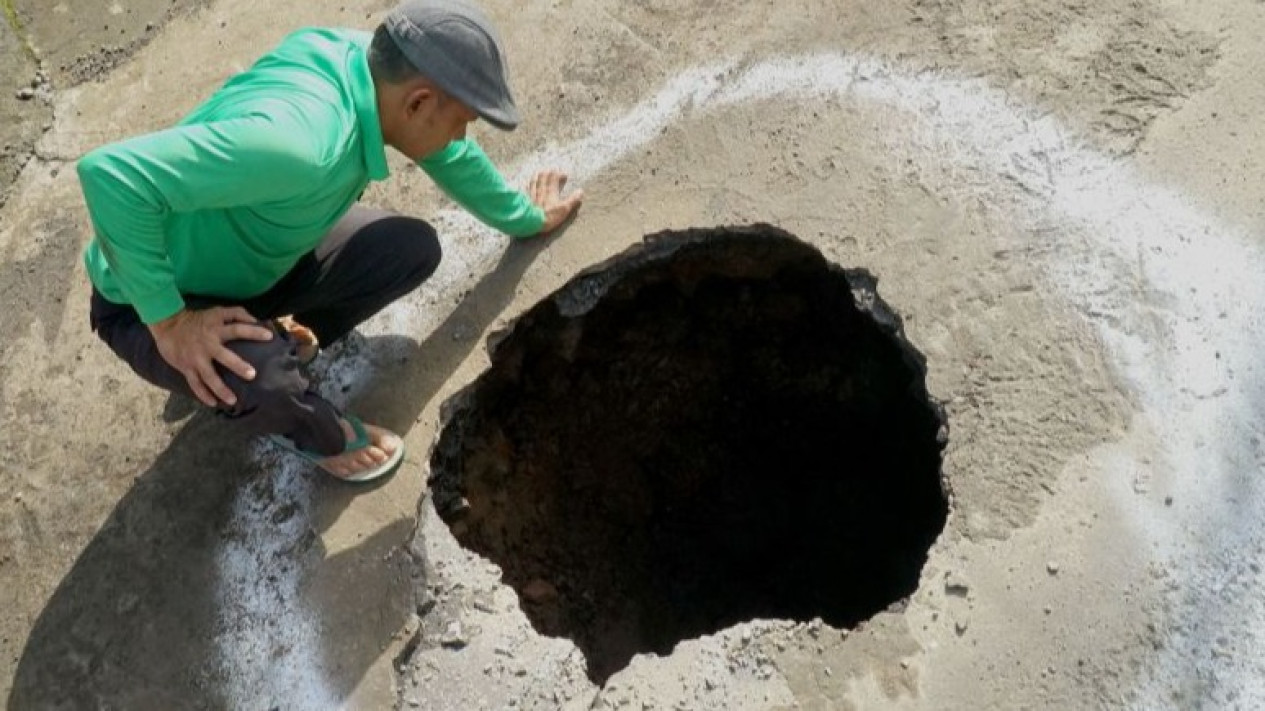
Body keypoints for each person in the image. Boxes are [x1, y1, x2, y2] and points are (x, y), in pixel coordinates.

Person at [78, 0, 583, 482]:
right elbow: (111, 177)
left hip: (261, 264)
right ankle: (288, 415)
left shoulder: (370, 66)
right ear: (420, 102)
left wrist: (524, 216)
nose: (460, 137)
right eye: (461, 124)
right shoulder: (302, 145)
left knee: (411, 251)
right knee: (269, 385)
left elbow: (448, 155)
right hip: (148, 300)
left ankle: (270, 341)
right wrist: (171, 322)